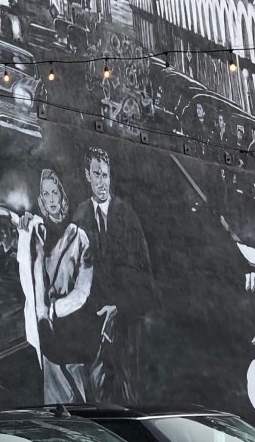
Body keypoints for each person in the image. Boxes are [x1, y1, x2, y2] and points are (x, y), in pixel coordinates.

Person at [72, 147, 155, 403]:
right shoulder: (80, 216)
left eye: (105, 175)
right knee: (98, 401)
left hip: (126, 328)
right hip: (94, 330)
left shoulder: (127, 216)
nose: (102, 182)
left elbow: (143, 276)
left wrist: (119, 306)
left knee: (129, 399)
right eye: (96, 174)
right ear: (87, 175)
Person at [23, 168, 96, 402]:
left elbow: (83, 291)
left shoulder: (79, 238)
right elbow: (35, 282)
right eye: (46, 194)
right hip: (47, 331)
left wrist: (54, 309)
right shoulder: (37, 237)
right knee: (53, 403)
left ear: (63, 195)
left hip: (73, 328)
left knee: (78, 401)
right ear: (41, 200)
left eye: (55, 192)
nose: (52, 199)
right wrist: (42, 318)